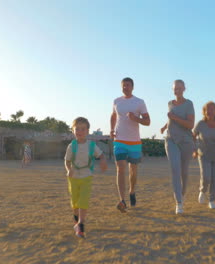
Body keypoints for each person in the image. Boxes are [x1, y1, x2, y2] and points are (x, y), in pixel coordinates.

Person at [110, 77, 150, 212]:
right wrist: (111, 129)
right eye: (123, 85)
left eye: (128, 85)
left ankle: (132, 191)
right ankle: (122, 200)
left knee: (133, 169)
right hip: (119, 140)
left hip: (134, 142)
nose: (125, 87)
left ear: (132, 87)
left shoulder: (139, 102)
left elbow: (148, 121)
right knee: (120, 168)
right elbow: (113, 116)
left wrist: (136, 118)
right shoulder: (117, 101)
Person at [64, 117, 108, 238]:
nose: (80, 131)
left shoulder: (91, 145)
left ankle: (81, 225)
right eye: (77, 129)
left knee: (83, 202)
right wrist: (69, 170)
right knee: (75, 203)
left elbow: (101, 155)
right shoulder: (71, 146)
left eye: (83, 129)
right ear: (73, 131)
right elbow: (67, 161)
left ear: (88, 131)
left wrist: (103, 161)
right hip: (73, 178)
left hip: (87, 177)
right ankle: (76, 222)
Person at [160, 80, 195, 214]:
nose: (177, 91)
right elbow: (170, 118)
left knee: (183, 172)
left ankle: (182, 194)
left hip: (186, 141)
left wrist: (173, 117)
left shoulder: (189, 104)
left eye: (179, 88)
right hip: (171, 140)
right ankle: (178, 202)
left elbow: (190, 125)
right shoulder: (170, 103)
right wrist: (165, 126)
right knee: (175, 169)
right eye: (175, 89)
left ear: (184, 89)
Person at [193, 101, 215, 209]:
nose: (209, 111)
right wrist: (194, 150)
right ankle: (202, 191)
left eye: (212, 109)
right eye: (207, 109)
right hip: (204, 154)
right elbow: (192, 136)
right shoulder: (200, 124)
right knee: (206, 177)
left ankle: (212, 200)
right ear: (204, 112)